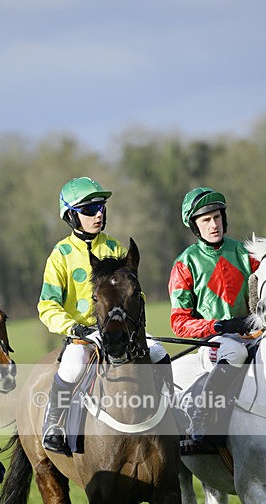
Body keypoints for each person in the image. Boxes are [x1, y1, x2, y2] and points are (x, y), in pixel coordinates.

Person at [38, 176, 170, 455]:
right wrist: (73, 328)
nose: (98, 214)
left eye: (100, 207)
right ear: (72, 217)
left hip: (122, 328)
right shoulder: (60, 255)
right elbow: (47, 305)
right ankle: (54, 424)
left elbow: (136, 293)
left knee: (158, 353)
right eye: (88, 210)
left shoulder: (116, 249)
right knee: (73, 366)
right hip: (83, 334)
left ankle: (171, 414)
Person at [168, 187, 259, 450]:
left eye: (217, 217)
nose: (214, 224)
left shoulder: (245, 253)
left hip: (252, 333)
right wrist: (219, 325)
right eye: (206, 220)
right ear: (195, 226)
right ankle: (201, 418)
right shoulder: (185, 264)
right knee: (234, 352)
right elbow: (179, 322)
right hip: (214, 342)